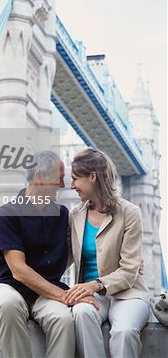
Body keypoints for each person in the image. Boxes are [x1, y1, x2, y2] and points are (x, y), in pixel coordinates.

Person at [0, 150, 98, 358]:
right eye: (59, 179)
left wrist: (123, 261)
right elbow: (18, 271)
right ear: (39, 178)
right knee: (7, 304)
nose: (63, 185)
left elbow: (86, 249)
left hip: (45, 293)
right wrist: (64, 296)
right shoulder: (6, 214)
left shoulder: (63, 215)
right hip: (9, 286)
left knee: (64, 319)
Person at [65, 148, 150, 358]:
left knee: (124, 332)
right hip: (92, 295)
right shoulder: (75, 214)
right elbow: (61, 257)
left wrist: (96, 284)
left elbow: (129, 272)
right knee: (81, 312)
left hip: (128, 294)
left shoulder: (130, 212)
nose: (71, 185)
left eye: (76, 178)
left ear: (92, 177)